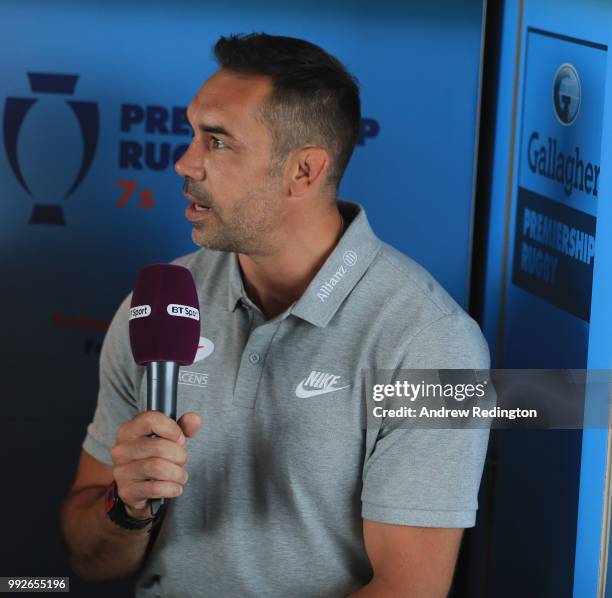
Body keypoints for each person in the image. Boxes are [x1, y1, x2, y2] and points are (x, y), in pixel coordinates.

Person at [60, 33, 491, 597]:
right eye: (193, 133)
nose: (184, 161)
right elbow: (90, 562)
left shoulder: (432, 343)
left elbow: (410, 590)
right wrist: (128, 505)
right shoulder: (162, 297)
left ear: (304, 171)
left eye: (217, 142)